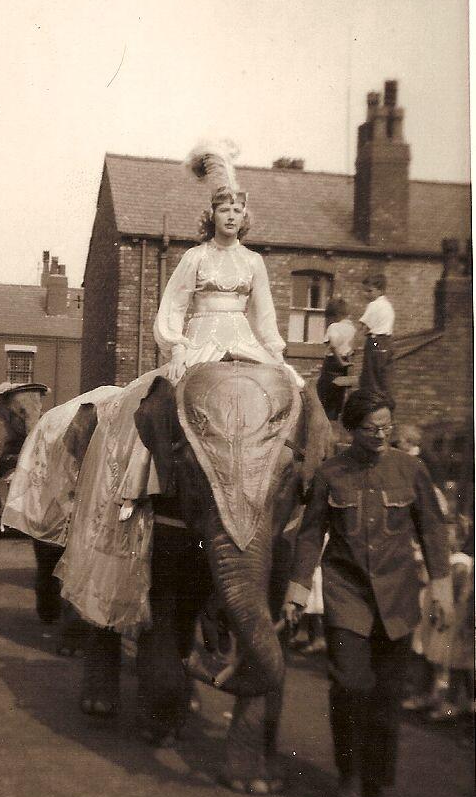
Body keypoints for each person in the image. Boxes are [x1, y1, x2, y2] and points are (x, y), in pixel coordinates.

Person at [55, 140, 306, 633]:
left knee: (292, 397)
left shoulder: (253, 264)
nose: (230, 215)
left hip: (243, 339)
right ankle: (142, 482)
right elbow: (169, 311)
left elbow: (265, 317)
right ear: (211, 214)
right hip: (202, 339)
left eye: (237, 208)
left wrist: (275, 354)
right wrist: (178, 346)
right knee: (161, 404)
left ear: (244, 216)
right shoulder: (194, 258)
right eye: (223, 207)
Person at [281, 390, 453, 797]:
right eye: (370, 429)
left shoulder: (410, 469)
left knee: (386, 697)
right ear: (350, 429)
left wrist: (442, 588)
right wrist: (298, 589)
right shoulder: (330, 474)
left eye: (387, 428)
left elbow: (432, 530)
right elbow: (310, 532)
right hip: (347, 595)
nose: (380, 436)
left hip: (397, 597)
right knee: (350, 687)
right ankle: (350, 778)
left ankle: (381, 783)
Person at [357, 272, 395, 405]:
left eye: (369, 291)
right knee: (383, 379)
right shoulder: (387, 305)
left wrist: (354, 343)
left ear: (380, 290)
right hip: (387, 342)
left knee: (370, 378)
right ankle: (387, 406)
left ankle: (372, 407)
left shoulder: (374, 305)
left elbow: (362, 326)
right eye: (365, 291)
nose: (366, 294)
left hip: (375, 342)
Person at [316, 296, 355, 421]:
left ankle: (324, 422)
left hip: (333, 363)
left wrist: (340, 362)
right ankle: (333, 422)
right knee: (338, 397)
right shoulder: (352, 329)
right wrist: (346, 362)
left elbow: (332, 346)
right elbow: (352, 349)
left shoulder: (334, 327)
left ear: (335, 315)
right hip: (346, 362)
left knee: (323, 394)